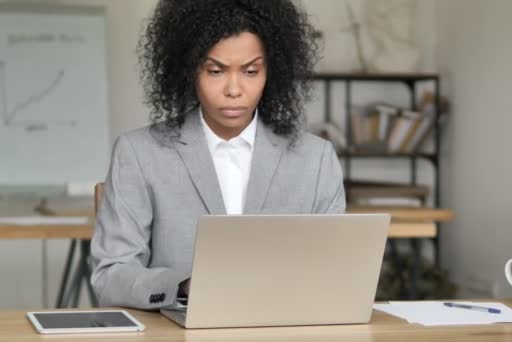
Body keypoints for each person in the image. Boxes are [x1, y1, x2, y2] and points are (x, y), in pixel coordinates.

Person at [89, 0, 345, 309]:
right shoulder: (140, 154)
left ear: (272, 71)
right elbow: (111, 275)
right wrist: (182, 286)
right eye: (215, 71)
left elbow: (337, 273)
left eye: (251, 71)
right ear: (188, 71)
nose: (234, 89)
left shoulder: (315, 159)